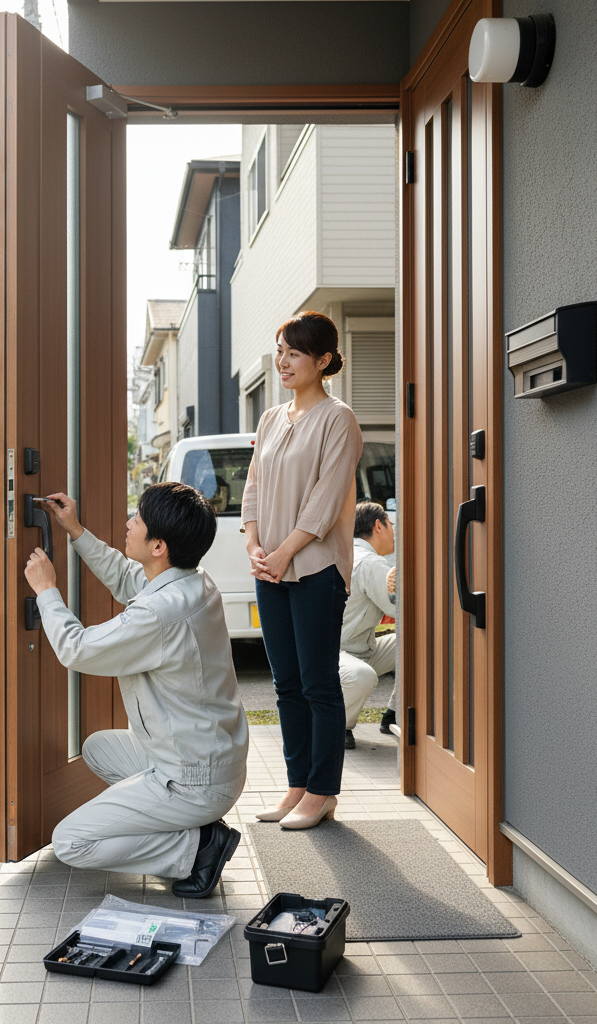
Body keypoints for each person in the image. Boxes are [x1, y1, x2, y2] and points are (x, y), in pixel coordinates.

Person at [23, 481, 249, 899]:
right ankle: (189, 825)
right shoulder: (191, 581)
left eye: (138, 520)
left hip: (193, 777)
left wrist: (46, 591)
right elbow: (129, 578)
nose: (129, 523)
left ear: (159, 545)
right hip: (207, 756)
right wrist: (74, 529)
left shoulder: (163, 612)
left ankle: (197, 848)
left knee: (72, 841)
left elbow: (78, 649)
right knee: (96, 748)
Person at [243, 311, 363, 830]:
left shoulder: (339, 419)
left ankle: (322, 792)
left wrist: (285, 550)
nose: (283, 360)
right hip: (270, 566)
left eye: (294, 352)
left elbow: (325, 499)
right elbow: (252, 486)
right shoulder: (271, 418)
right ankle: (297, 785)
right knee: (285, 683)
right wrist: (253, 543)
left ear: (324, 360)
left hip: (314, 567)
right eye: (280, 349)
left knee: (318, 684)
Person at [340, 502, 398, 749]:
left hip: (360, 649)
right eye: (391, 525)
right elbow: (400, 609)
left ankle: (395, 712)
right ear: (378, 525)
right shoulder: (370, 562)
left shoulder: (348, 553)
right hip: (340, 655)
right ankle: (336, 727)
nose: (394, 531)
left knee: (417, 643)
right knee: (361, 677)